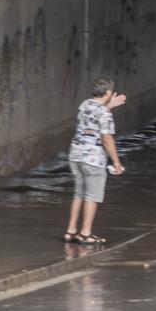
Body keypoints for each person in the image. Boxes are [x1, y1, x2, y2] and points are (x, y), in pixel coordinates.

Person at [64, 76, 126, 245]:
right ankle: (85, 233)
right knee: (92, 196)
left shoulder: (85, 105)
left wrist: (110, 105)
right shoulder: (105, 113)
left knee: (79, 194)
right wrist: (117, 162)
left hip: (76, 155)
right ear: (108, 92)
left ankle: (71, 231)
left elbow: (94, 116)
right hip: (93, 158)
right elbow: (107, 139)